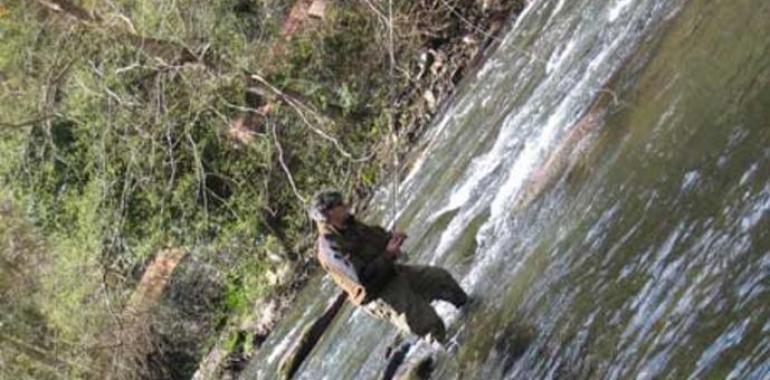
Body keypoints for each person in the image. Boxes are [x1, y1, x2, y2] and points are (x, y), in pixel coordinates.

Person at [310, 190, 468, 344]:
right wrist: (388, 254)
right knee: (429, 324)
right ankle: (453, 353)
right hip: (380, 294)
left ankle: (472, 313)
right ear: (328, 214)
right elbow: (361, 278)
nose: (345, 205)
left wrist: (390, 239)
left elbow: (374, 237)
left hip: (391, 273)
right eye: (339, 204)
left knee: (441, 279)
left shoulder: (348, 224)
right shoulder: (329, 248)